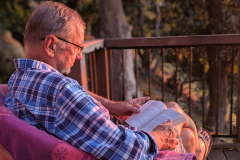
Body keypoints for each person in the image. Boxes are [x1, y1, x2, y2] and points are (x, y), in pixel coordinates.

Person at [5, 1, 211, 160]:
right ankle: (200, 147)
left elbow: (68, 103)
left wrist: (111, 105)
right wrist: (158, 138)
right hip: (122, 147)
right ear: (51, 45)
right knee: (183, 129)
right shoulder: (61, 89)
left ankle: (199, 145)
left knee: (174, 109)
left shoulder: (18, 78)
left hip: (99, 137)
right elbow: (124, 149)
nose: (79, 56)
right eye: (77, 47)